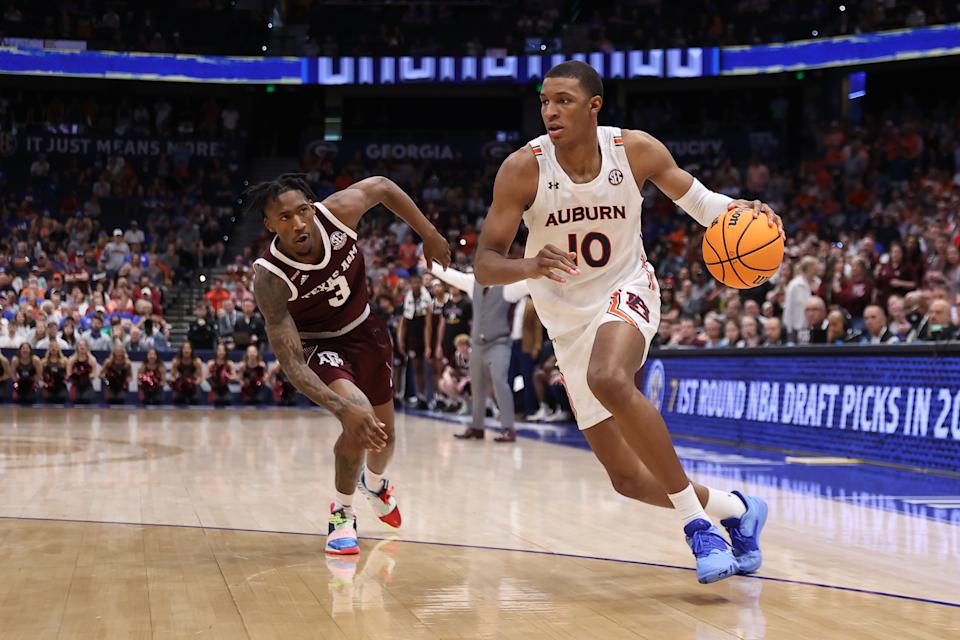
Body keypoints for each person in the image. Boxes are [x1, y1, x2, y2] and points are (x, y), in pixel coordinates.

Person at [473, 61, 777, 584]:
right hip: (566, 322)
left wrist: (741, 210)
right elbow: (484, 262)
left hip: (627, 288)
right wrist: (528, 264)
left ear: (595, 105)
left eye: (564, 100)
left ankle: (697, 529)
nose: (550, 110)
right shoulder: (522, 168)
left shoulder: (635, 149)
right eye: (545, 100)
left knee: (609, 377)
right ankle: (736, 508)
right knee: (628, 479)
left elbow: (701, 203)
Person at [247, 173, 450, 556]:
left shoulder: (338, 213)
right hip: (321, 346)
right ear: (270, 224)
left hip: (367, 330)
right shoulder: (270, 278)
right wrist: (341, 408)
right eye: (285, 217)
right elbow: (290, 362)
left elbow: (385, 187)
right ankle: (341, 514)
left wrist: (429, 233)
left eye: (302, 211)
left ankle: (374, 484)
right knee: (358, 418)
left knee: (384, 436)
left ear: (312, 207)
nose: (298, 223)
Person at [422, 257, 529, 442]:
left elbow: (529, 281)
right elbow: (453, 275)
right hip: (477, 344)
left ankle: (508, 428)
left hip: (499, 342)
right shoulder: (474, 283)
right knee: (477, 385)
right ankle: (477, 427)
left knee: (499, 381)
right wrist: (431, 266)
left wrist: (545, 268)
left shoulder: (508, 286)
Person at [397, 273, 433, 408]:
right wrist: (400, 340)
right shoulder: (408, 298)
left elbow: (428, 325)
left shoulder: (427, 299)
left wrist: (428, 345)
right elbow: (403, 323)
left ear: (421, 284)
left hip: (425, 336)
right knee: (416, 367)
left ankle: (432, 397)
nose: (416, 285)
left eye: (418, 282)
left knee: (428, 367)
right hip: (412, 337)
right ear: (410, 284)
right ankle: (421, 397)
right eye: (413, 283)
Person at [67, 338, 98, 403]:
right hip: (76, 385)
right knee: (76, 399)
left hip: (87, 385)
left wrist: (84, 376)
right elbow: (68, 373)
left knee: (86, 399)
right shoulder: (71, 359)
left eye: (84, 345)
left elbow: (94, 374)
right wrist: (77, 376)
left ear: (87, 347)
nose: (82, 347)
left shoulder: (92, 360)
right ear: (77, 347)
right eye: (80, 345)